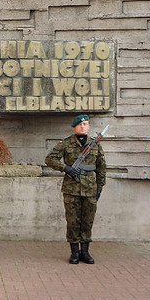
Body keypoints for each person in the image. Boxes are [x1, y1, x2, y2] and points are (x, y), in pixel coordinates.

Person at [45, 114, 106, 265]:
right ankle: (74, 253)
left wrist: (100, 186)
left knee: (87, 221)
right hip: (71, 188)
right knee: (73, 221)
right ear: (74, 127)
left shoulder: (95, 144)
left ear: (89, 126)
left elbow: (101, 166)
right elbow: (50, 159)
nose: (83, 126)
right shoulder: (66, 143)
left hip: (90, 188)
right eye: (80, 124)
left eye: (85, 124)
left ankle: (85, 252)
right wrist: (65, 168)